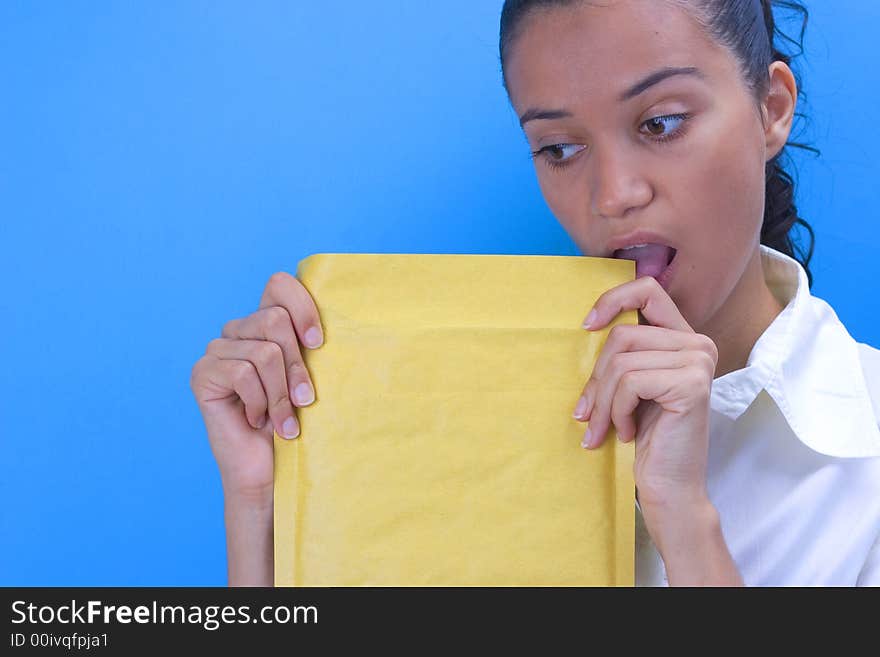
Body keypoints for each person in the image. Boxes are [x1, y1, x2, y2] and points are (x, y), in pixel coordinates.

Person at [190, 0, 880, 586]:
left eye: (660, 123)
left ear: (772, 109)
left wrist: (684, 517)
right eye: (558, 149)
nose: (613, 195)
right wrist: (258, 506)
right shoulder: (449, 416)